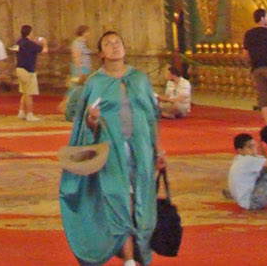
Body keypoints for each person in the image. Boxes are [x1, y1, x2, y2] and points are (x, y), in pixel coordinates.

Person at [59, 29, 163, 266]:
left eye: (118, 42)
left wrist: (160, 150)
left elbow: (151, 117)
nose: (115, 46)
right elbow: (86, 124)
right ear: (101, 53)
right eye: (108, 43)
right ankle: (128, 259)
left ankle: (140, 252)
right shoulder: (95, 82)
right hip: (111, 151)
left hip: (142, 149)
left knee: (141, 198)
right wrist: (93, 120)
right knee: (118, 198)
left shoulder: (139, 79)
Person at [15, 24, 46, 122]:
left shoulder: (19, 42)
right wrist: (44, 43)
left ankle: (21, 112)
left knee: (24, 91)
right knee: (29, 93)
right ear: (29, 33)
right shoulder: (31, 44)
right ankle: (30, 114)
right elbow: (45, 51)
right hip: (28, 71)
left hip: (19, 69)